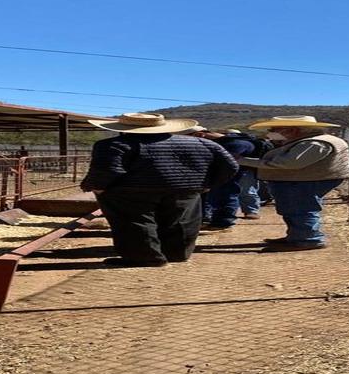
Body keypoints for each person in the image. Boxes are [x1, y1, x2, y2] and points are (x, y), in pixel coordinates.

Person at [80, 113, 238, 267]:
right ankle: (177, 254)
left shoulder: (113, 145)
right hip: (186, 188)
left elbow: (106, 170)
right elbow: (230, 166)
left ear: (122, 128)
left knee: (135, 222)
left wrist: (95, 186)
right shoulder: (202, 143)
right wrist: (208, 184)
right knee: (180, 221)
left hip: (130, 191)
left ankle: (146, 257)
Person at [236, 116, 349, 251]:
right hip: (302, 180)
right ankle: (297, 236)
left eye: (274, 129)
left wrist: (243, 160)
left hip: (304, 181)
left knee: (301, 209)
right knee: (293, 209)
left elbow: (288, 163)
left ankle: (308, 239)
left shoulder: (313, 144)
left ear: (292, 130)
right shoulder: (309, 142)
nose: (270, 132)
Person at [188, 128, 256, 229]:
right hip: (221, 175)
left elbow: (227, 161)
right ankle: (216, 220)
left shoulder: (236, 144)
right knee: (217, 198)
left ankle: (224, 222)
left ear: (200, 134)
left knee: (226, 196)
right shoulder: (228, 142)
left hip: (227, 176)